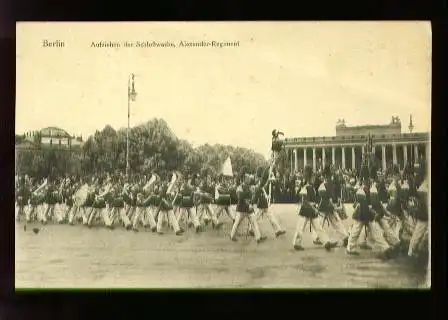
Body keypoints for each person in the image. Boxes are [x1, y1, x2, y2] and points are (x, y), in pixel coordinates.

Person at [292, 166, 337, 251]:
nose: (313, 178)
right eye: (312, 176)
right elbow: (305, 201)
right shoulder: (306, 186)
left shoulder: (309, 186)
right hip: (306, 209)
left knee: (318, 227)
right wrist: (314, 208)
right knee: (301, 227)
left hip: (310, 209)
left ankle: (326, 241)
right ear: (310, 176)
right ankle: (297, 243)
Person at [230, 173, 266, 243]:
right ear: (244, 179)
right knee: (237, 223)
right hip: (241, 209)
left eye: (249, 178)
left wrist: (251, 203)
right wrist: (248, 200)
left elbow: (252, 197)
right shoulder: (240, 187)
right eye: (248, 178)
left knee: (254, 222)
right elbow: (240, 197)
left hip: (248, 209)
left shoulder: (249, 187)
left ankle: (258, 238)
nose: (249, 179)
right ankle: (232, 236)